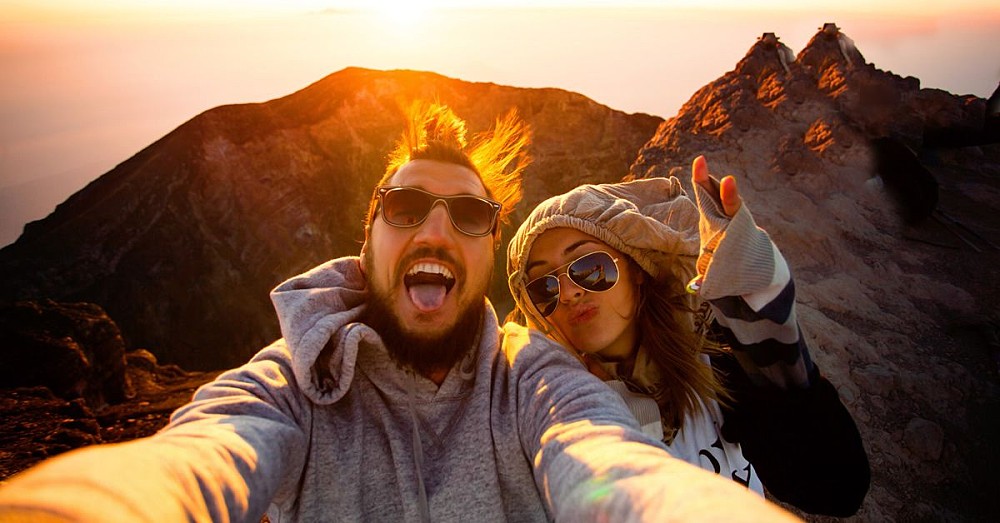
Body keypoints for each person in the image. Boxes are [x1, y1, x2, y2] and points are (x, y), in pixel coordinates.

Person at [0, 103, 800, 522]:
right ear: (368, 238)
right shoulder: (290, 385)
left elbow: (609, 463)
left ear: (489, 263)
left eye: (470, 216)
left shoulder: (534, 379)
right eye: (407, 205)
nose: (436, 229)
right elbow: (205, 452)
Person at [506, 156, 871, 517]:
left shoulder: (713, 360)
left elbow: (836, 490)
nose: (568, 293)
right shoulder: (556, 411)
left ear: (636, 268)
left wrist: (767, 330)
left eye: (589, 268)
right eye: (545, 288)